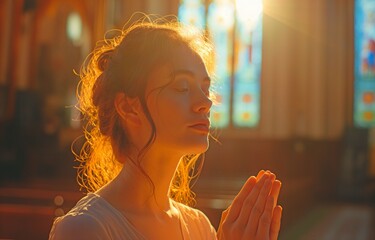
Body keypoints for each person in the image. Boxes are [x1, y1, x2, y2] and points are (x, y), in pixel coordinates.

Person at [49, 16, 282, 240]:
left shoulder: (199, 226)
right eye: (182, 87)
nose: (206, 103)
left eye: (205, 89)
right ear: (129, 108)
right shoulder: (85, 229)